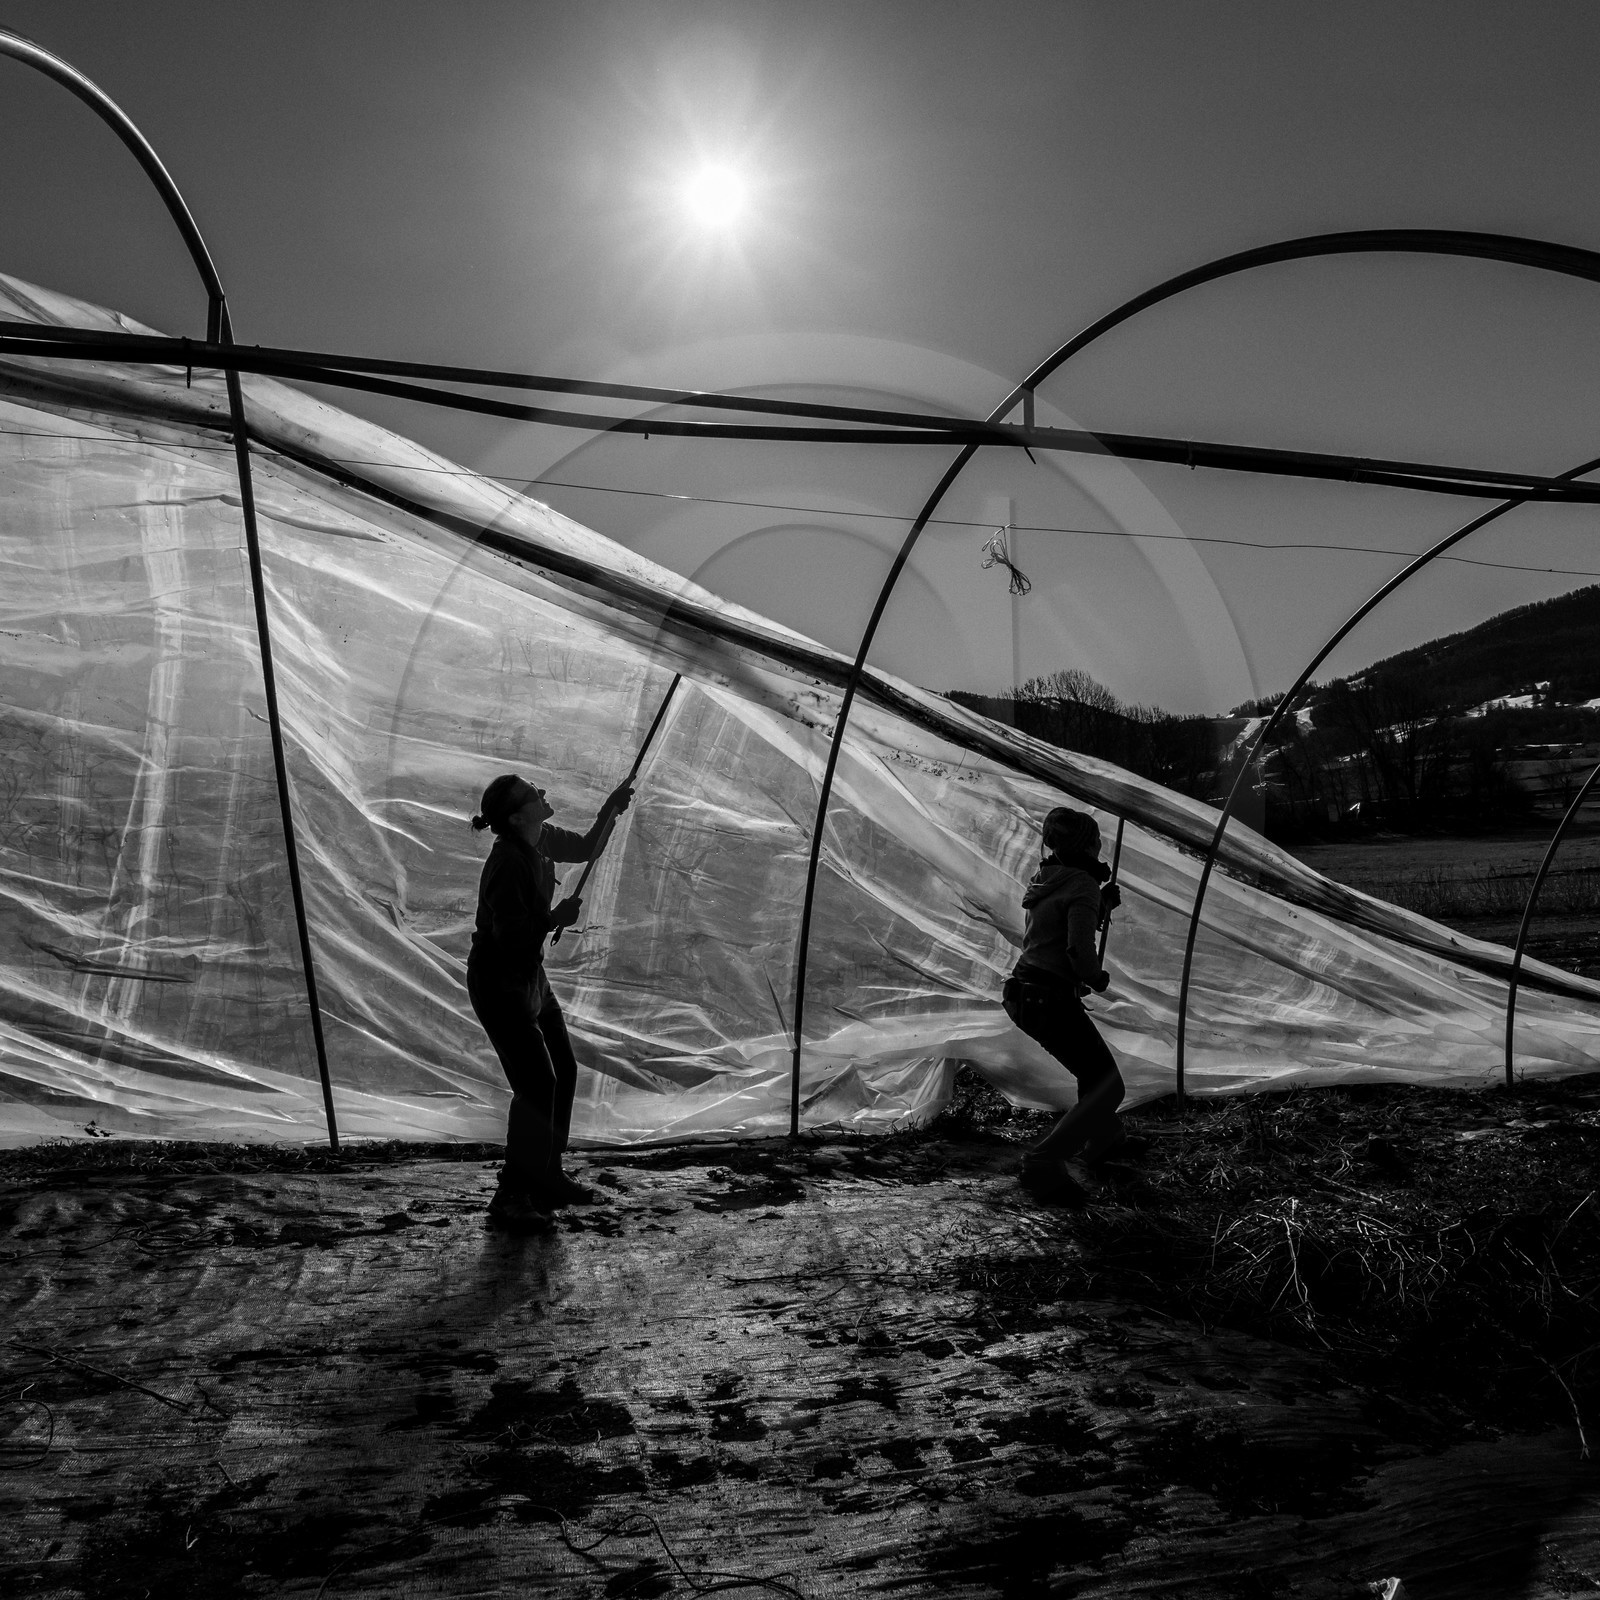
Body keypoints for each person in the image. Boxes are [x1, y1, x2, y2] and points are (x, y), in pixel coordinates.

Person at [467, 771, 633, 1229]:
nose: (542, 793)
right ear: (518, 816)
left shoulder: (541, 840)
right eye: (532, 794)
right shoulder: (508, 863)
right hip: (500, 983)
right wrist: (551, 917)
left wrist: (610, 810)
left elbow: (585, 849)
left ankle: (545, 1174)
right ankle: (511, 1195)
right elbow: (510, 937)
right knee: (537, 1083)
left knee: (562, 1069)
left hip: (529, 979)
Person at [1002, 805, 1129, 1203]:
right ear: (1088, 845)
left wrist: (1100, 907)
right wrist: (1095, 978)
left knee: (1093, 1075)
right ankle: (1041, 1162)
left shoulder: (1048, 878)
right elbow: (1077, 950)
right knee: (1109, 1089)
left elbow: (1058, 928)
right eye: (1096, 842)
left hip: (1026, 992)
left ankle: (1103, 1140)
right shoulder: (1082, 885)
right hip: (1049, 998)